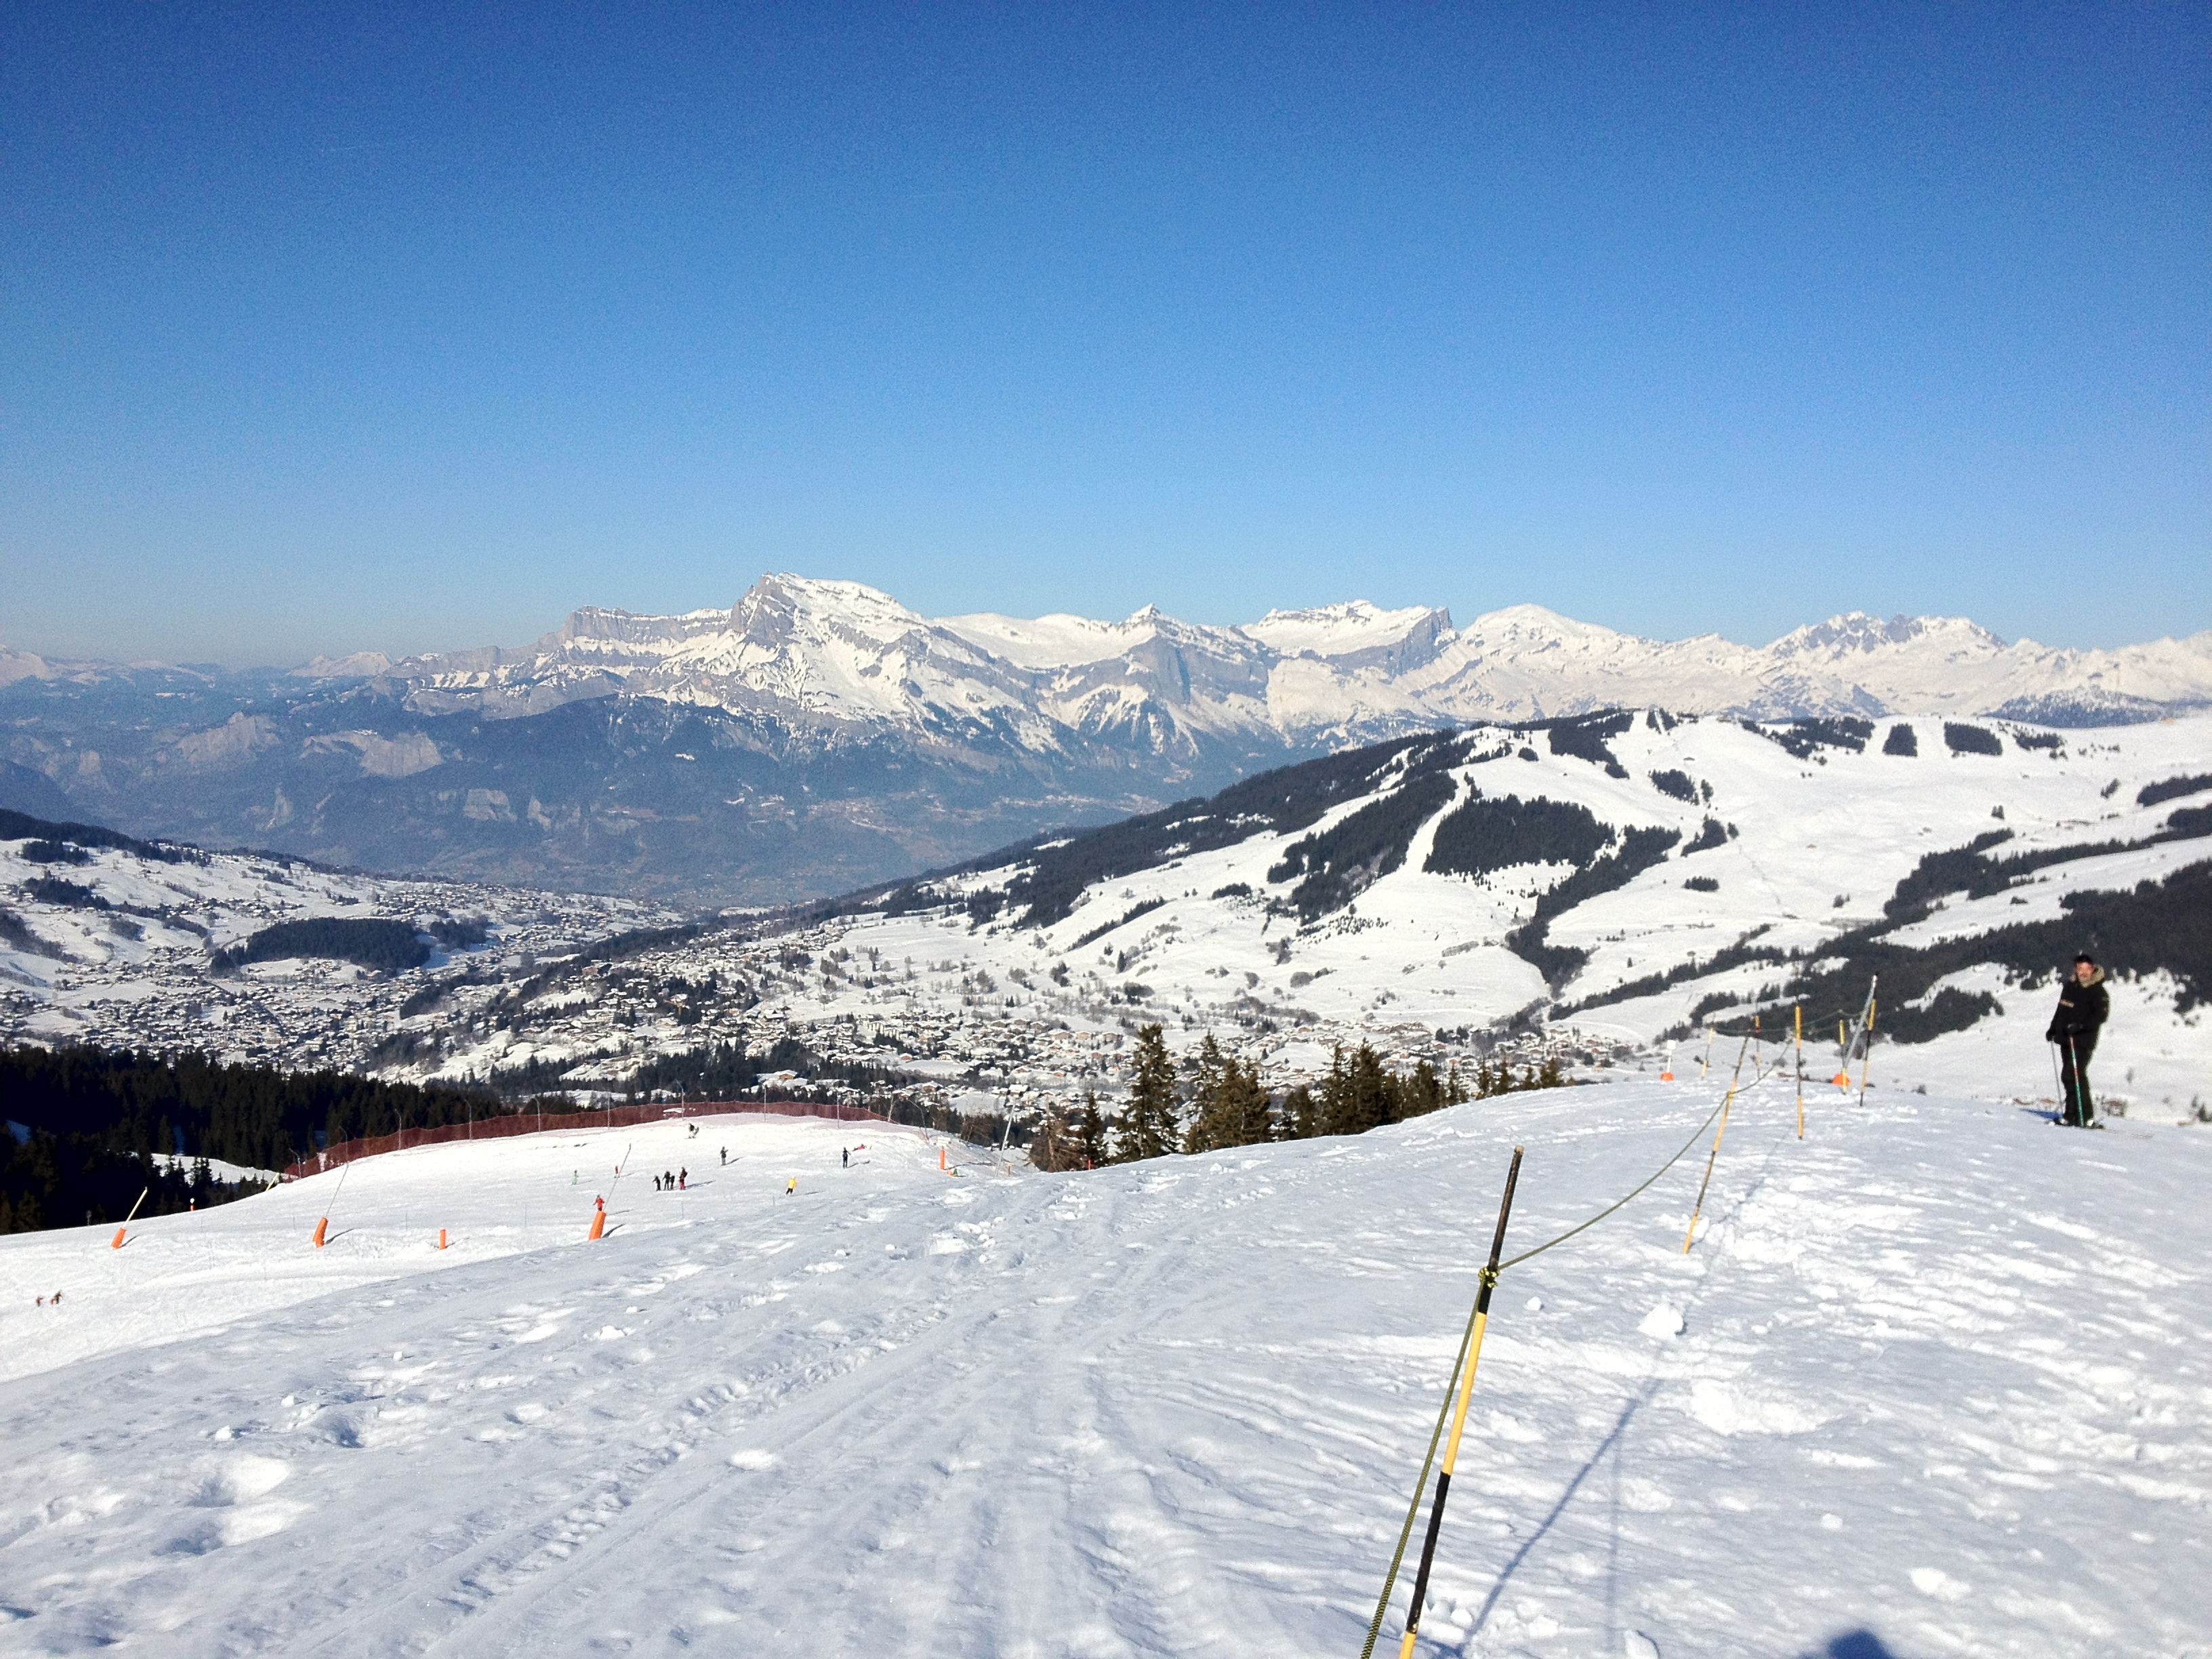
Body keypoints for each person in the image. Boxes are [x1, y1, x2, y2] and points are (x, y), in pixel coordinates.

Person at [2045, 953, 2110, 1127]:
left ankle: (2086, 1116)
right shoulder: (2070, 987)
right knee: (2068, 1077)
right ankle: (2071, 1115)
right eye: (2079, 968)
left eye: (2085, 968)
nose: (2082, 972)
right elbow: (2061, 1010)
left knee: (2075, 1075)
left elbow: (2100, 1016)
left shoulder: (2098, 991)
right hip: (2066, 1039)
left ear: (2092, 969)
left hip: (2083, 1041)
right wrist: (2053, 1028)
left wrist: (2080, 1026)